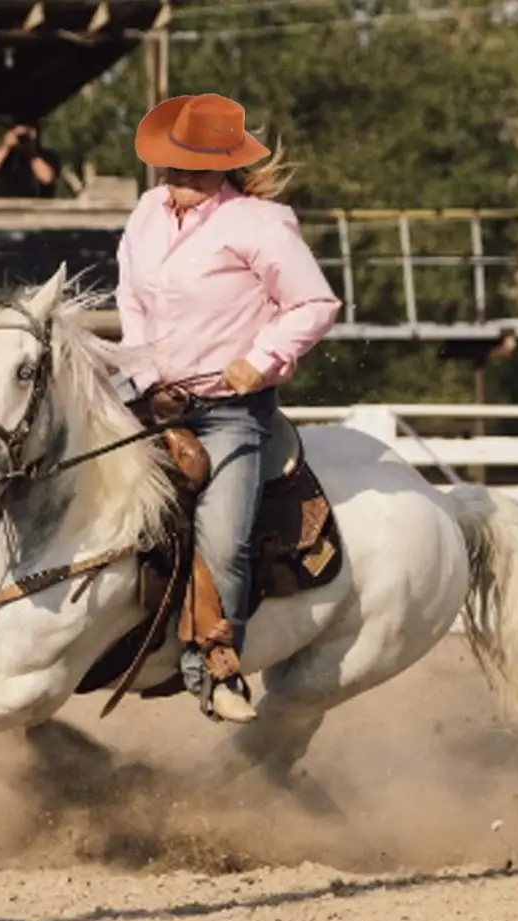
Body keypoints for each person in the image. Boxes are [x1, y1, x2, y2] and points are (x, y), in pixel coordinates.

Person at [114, 93, 341, 725]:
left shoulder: (261, 224)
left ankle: (215, 664)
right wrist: (145, 373)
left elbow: (314, 305)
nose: (177, 180)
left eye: (192, 169)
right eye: (171, 167)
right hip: (149, 395)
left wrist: (262, 359)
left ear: (223, 168)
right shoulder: (145, 215)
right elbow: (129, 298)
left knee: (223, 538)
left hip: (229, 411)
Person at [0, 121, 61, 198]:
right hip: (8, 204)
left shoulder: (49, 156)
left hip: (38, 206)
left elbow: (47, 179)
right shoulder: (7, 155)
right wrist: (6, 146)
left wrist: (31, 153)